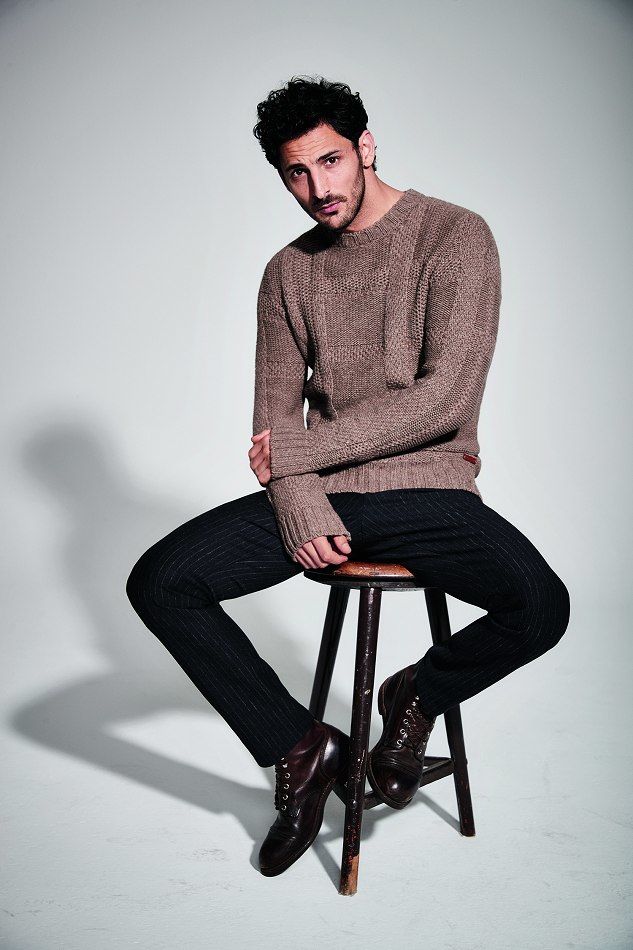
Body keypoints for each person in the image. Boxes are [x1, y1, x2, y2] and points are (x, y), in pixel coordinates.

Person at [126, 75, 570, 878]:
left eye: (330, 161)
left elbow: (444, 399)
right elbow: (274, 416)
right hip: (326, 493)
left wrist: (293, 458)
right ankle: (300, 748)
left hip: (425, 486)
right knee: (161, 581)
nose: (317, 188)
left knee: (540, 606)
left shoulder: (454, 235)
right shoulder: (288, 271)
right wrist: (298, 501)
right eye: (295, 172)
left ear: (366, 146)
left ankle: (415, 696)